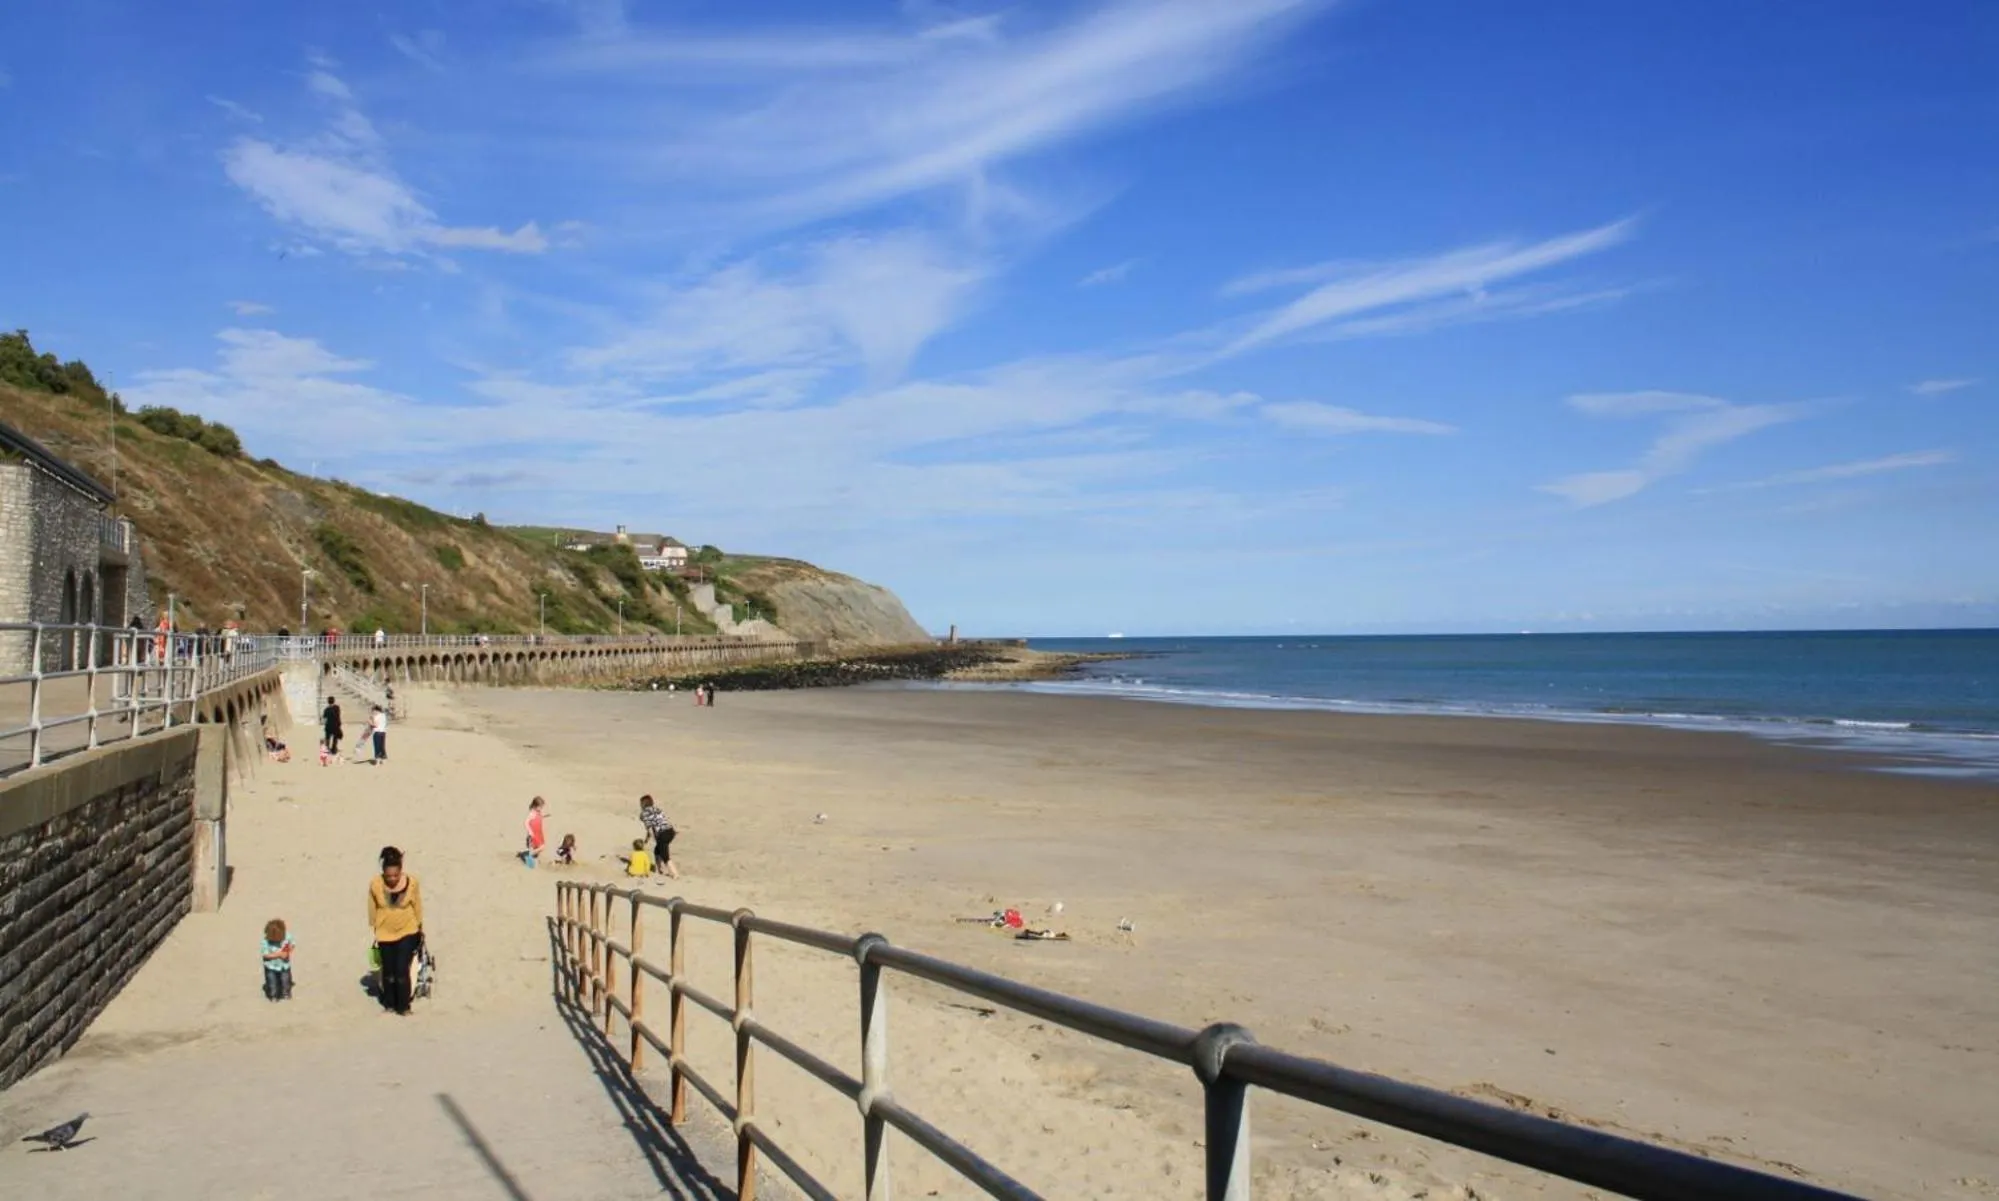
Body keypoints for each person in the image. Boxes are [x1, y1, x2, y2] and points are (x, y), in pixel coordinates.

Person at [369, 847, 423, 1015]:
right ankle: (390, 1004)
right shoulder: (375, 885)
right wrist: (374, 926)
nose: (392, 879)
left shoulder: (412, 882)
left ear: (401, 871)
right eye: (388, 876)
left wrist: (420, 926)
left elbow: (418, 906)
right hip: (384, 932)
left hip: (408, 930)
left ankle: (404, 1006)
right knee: (389, 971)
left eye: (395, 875)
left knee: (401, 970)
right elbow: (372, 907)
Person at [638, 794, 679, 879]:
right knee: (657, 850)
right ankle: (659, 869)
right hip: (670, 831)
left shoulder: (644, 813)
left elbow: (649, 829)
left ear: (642, 804)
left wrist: (652, 839)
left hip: (662, 834)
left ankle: (675, 874)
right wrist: (647, 840)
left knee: (665, 856)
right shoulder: (657, 809)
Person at [261, 918, 295, 1001]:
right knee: (272, 982)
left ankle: (286, 993)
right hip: (271, 966)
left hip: (284, 965)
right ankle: (273, 995)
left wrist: (288, 951)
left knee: (285, 980)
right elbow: (265, 955)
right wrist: (278, 954)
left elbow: (292, 944)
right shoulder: (265, 942)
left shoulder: (287, 936)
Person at [522, 797, 549, 868]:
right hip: (533, 834)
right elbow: (526, 822)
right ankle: (529, 855)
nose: (541, 809)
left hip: (538, 833)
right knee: (542, 847)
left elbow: (538, 818)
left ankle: (533, 861)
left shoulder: (538, 812)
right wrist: (530, 832)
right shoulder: (532, 813)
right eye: (540, 807)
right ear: (535, 806)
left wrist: (544, 816)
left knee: (537, 849)